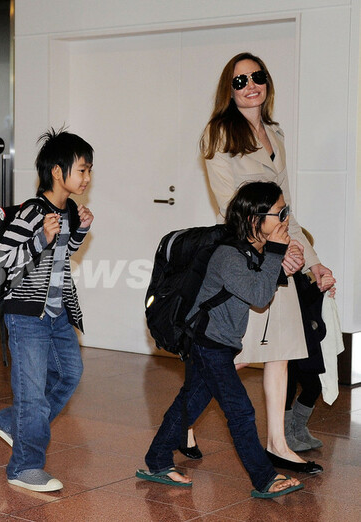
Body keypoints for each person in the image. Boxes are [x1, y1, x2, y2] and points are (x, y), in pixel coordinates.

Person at [194, 52, 335, 474]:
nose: (250, 85)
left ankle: (277, 443)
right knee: (236, 354)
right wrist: (274, 247)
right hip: (251, 256)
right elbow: (231, 206)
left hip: (281, 253)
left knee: (281, 351)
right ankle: (182, 421)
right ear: (229, 89)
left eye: (257, 77)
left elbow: (287, 209)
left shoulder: (275, 133)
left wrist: (312, 262)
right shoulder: (219, 133)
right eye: (240, 81)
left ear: (267, 82)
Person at [138, 181, 305, 499]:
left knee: (189, 403)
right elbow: (259, 296)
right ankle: (265, 478)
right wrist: (275, 253)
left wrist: (282, 260)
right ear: (255, 219)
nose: (285, 219)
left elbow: (259, 283)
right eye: (279, 213)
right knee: (240, 410)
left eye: (286, 211)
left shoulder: (251, 251)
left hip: (220, 342)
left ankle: (157, 459)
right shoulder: (228, 255)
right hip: (207, 343)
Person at [0, 129, 94, 492]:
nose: (87, 177)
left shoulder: (68, 211)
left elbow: (62, 256)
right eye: (82, 170)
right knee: (32, 393)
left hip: (57, 313)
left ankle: (12, 422)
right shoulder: (32, 212)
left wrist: (79, 231)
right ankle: (24, 466)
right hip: (26, 315)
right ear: (57, 172)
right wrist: (39, 239)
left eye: (89, 170)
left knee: (69, 374)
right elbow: (2, 260)